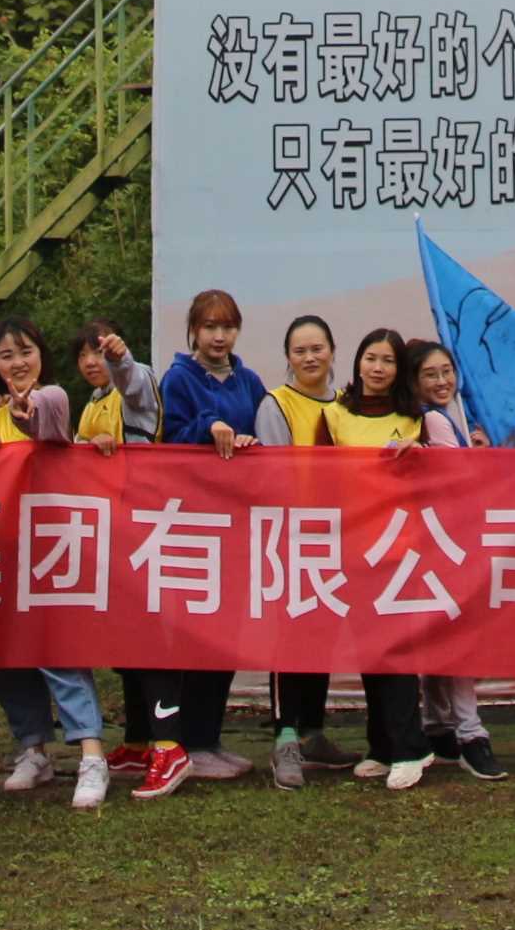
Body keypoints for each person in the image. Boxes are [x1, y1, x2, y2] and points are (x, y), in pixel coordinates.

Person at [0, 317, 113, 810]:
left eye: (26, 351)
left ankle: (91, 754)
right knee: (8, 656)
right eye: (6, 355)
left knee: (59, 649)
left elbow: (43, 422)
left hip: (50, 546)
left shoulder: (53, 395)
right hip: (2, 548)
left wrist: (22, 413)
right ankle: (33, 749)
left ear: (41, 356)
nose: (18, 362)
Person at [145, 288, 270, 793]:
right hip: (193, 521)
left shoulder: (249, 380)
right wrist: (208, 426)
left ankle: (209, 738)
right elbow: (169, 437)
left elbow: (264, 429)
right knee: (194, 633)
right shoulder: (178, 378)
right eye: (210, 326)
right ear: (193, 331)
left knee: (228, 633)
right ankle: (189, 742)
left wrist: (250, 442)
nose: (219, 336)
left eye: (228, 326)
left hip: (237, 520)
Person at [322, 328, 436, 790]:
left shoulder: (415, 418)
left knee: (397, 651)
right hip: (353, 548)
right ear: (357, 362)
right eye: (371, 358)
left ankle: (412, 748)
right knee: (370, 652)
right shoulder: (335, 414)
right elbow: (317, 477)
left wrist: (423, 453)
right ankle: (382, 746)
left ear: (399, 369)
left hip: (400, 550)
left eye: (387, 361)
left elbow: (443, 475)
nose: (377, 368)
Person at [72, 318, 168, 782]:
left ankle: (168, 744)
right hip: (108, 530)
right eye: (83, 355)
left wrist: (121, 358)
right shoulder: (91, 402)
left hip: (143, 525)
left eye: (99, 351)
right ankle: (136, 741)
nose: (92, 362)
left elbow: (133, 382)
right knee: (124, 643)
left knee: (148, 640)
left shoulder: (136, 382)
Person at [408, 339, 507, 781]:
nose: (442, 381)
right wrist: (478, 458)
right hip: (445, 541)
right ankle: (470, 733)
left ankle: (438, 725)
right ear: (414, 382)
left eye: (446, 371)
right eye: (430, 374)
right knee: (455, 635)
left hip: (443, 540)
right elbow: (458, 477)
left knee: (441, 634)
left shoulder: (449, 416)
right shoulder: (432, 418)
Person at [254, 313, 344, 789]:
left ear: (332, 351)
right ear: (288, 358)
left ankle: (313, 732)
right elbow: (273, 476)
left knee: (322, 634)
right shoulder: (276, 404)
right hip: (291, 538)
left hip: (338, 538)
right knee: (289, 638)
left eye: (317, 348)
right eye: (300, 351)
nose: (310, 358)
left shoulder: (347, 404)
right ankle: (284, 737)